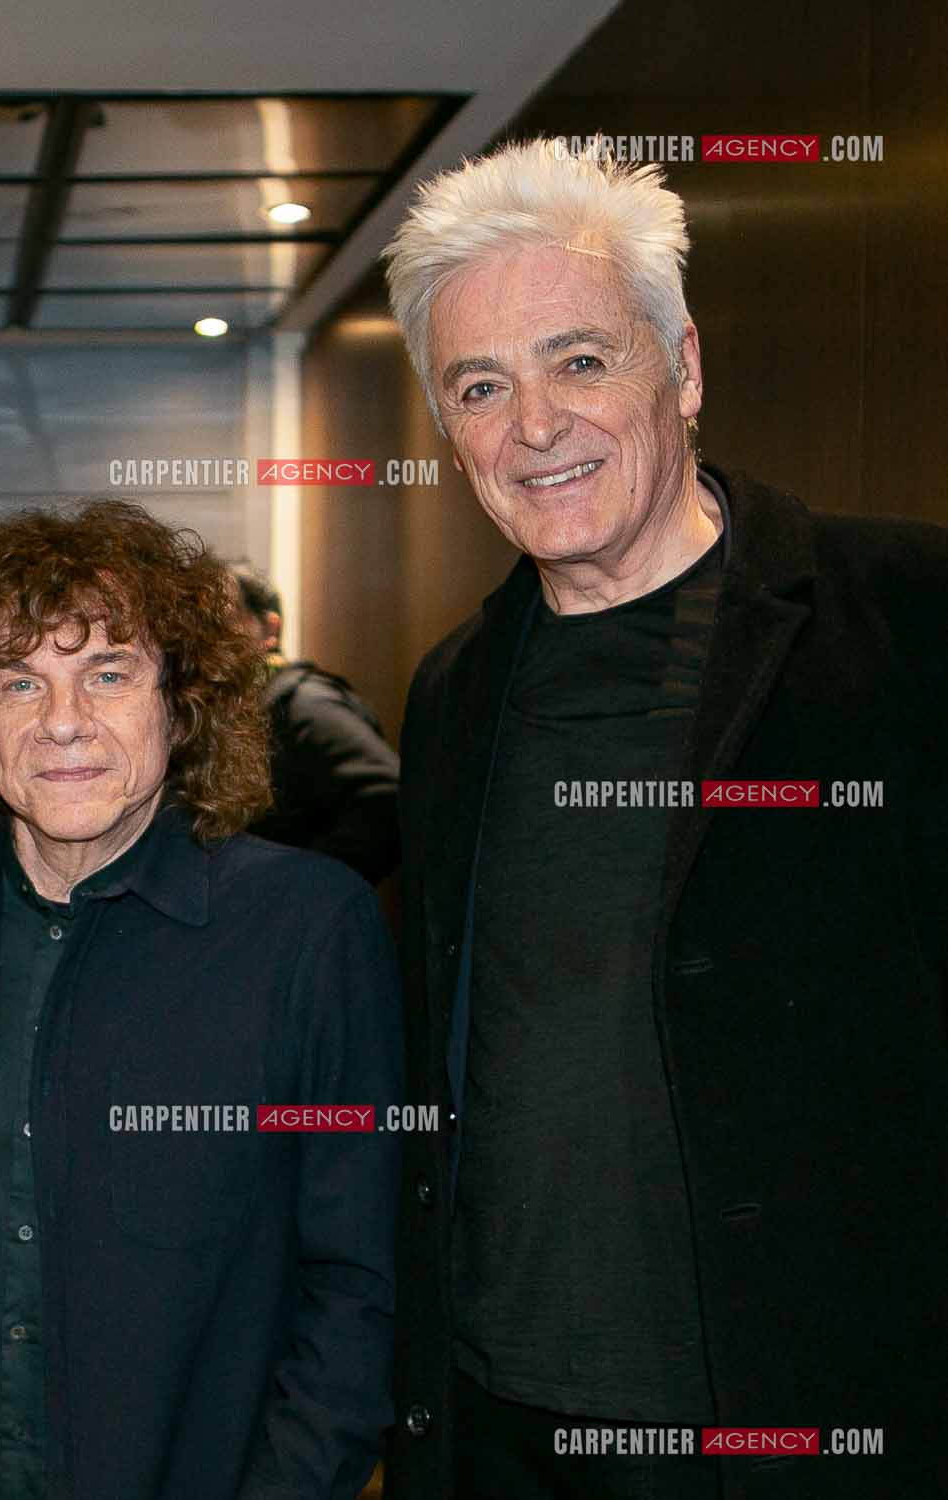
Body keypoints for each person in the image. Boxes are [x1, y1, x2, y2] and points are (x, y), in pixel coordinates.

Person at [381, 139, 948, 1499]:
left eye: (579, 361)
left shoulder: (906, 622)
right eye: (479, 386)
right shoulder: (456, 691)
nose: (533, 423)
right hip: (503, 1419)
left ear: (681, 368)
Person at [0, 499, 401, 1499]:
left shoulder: (308, 930)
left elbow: (362, 1285)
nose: (62, 722)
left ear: (181, 703)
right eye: (20, 680)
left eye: (108, 674)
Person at [228, 561, 402, 882]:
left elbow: (385, 798)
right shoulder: (232, 711)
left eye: (222, 620)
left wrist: (300, 888)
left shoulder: (305, 703)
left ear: (270, 629)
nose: (206, 636)